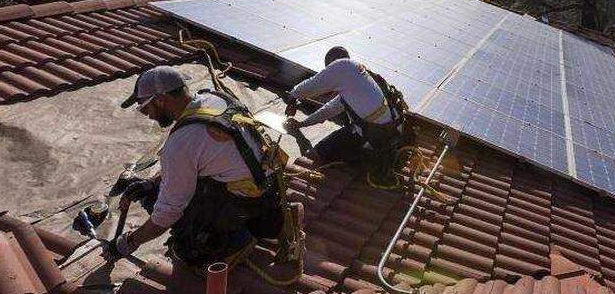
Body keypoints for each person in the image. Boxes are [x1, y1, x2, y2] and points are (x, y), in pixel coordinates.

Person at [108, 66, 304, 279]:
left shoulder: (181, 143)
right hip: (268, 186)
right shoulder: (214, 97)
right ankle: (277, 220)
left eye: (145, 108)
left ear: (160, 99)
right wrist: (153, 182)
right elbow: (205, 155)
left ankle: (234, 244)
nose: (147, 116)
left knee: (188, 248)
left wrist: (128, 242)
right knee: (175, 188)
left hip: (242, 202)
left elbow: (167, 214)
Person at [284, 46, 405, 166]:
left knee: (317, 153)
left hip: (374, 136)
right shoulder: (357, 76)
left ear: (331, 65)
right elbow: (330, 109)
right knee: (339, 138)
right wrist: (303, 123)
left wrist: (293, 96)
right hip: (391, 131)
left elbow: (311, 85)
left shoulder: (341, 66)